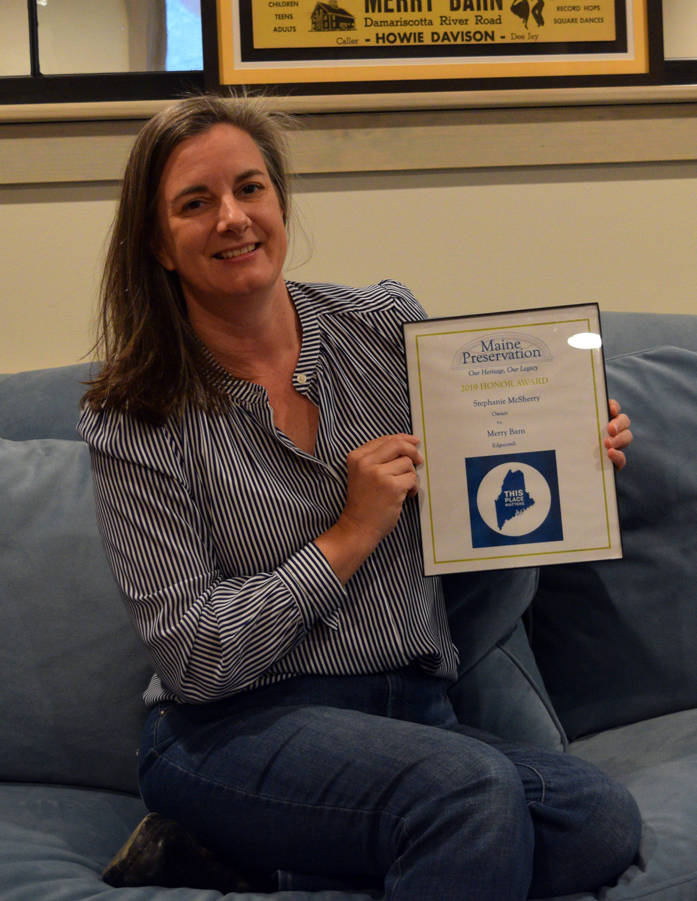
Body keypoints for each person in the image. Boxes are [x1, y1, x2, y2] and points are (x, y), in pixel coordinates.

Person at [79, 94, 640, 901]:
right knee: (471, 794)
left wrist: (568, 454)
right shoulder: (133, 413)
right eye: (195, 204)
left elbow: (474, 488)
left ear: (281, 200)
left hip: (412, 715)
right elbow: (193, 657)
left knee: (598, 819)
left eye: (250, 189)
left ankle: (251, 861)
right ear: (160, 245)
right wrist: (349, 532)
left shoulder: (384, 328)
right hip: (232, 731)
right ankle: (301, 834)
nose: (232, 219)